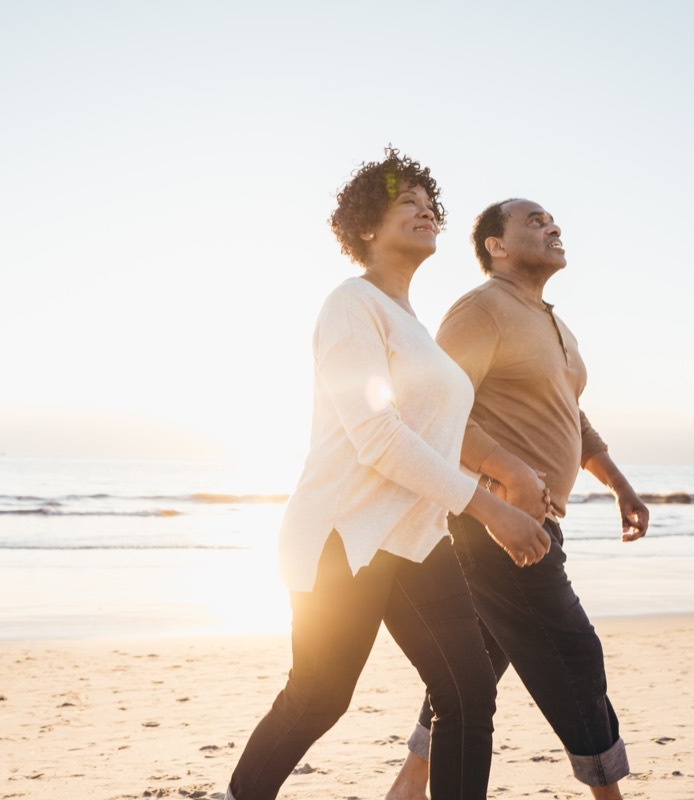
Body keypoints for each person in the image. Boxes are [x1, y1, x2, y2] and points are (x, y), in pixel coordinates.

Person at [224, 154, 552, 800]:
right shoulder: (351, 306)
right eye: (408, 202)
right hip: (343, 536)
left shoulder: (415, 328)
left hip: (414, 539)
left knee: (468, 693)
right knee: (319, 697)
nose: (426, 210)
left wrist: (508, 475)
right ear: (368, 227)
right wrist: (491, 510)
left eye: (431, 203)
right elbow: (378, 435)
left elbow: (440, 434)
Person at [386, 199, 650, 800]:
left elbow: (569, 413)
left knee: (475, 664)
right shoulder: (482, 311)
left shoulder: (553, 323)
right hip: (493, 523)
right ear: (496, 247)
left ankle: (409, 783)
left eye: (553, 220)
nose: (552, 226)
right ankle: (608, 793)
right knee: (574, 654)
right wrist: (502, 476)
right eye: (534, 221)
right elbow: (432, 408)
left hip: (535, 520)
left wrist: (618, 483)